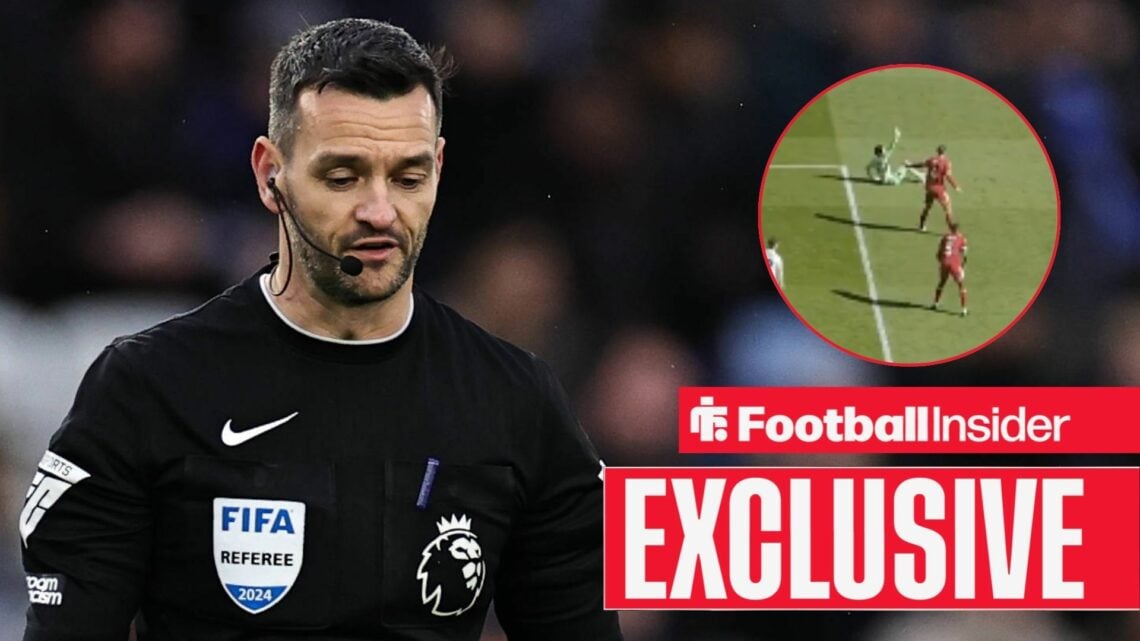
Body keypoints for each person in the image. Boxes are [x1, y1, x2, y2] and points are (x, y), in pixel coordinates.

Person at [18, 18, 622, 641]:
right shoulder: (147, 389)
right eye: (343, 176)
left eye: (408, 177)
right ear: (269, 174)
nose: (380, 211)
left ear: (439, 168)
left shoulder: (516, 401)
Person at [907, 144, 961, 231]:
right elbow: (948, 176)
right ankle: (952, 230)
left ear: (937, 151)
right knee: (948, 209)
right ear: (945, 152)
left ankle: (921, 226)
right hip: (939, 189)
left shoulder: (931, 160)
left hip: (929, 188)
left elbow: (921, 164)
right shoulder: (946, 162)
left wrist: (910, 165)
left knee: (927, 207)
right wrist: (956, 186)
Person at [932, 222, 968, 317]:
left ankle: (935, 303)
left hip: (944, 262)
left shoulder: (945, 237)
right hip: (954, 264)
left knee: (942, 282)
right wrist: (962, 265)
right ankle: (964, 309)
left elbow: (938, 254)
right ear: (957, 230)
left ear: (950, 229)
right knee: (961, 285)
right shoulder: (961, 238)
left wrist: (942, 262)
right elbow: (964, 254)